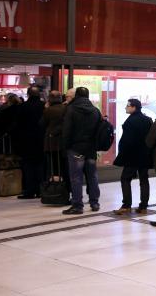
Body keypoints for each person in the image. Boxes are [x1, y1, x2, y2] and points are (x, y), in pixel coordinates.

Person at [61, 87, 101, 215]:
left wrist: (65, 146)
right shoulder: (95, 111)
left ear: (76, 96)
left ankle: (77, 205)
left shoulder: (71, 109)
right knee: (92, 176)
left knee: (76, 178)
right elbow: (99, 130)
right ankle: (94, 202)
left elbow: (66, 130)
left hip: (76, 148)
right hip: (91, 149)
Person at [114, 99, 153, 214]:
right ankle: (144, 206)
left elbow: (127, 141)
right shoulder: (147, 120)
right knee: (144, 180)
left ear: (134, 107)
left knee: (125, 178)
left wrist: (122, 154)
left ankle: (126, 205)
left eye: (127, 106)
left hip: (132, 156)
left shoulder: (130, 121)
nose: (126, 107)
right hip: (144, 155)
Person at [16, 86, 45, 199]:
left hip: (27, 141)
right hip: (41, 140)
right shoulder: (44, 106)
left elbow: (18, 124)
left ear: (28, 94)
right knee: (41, 166)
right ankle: (41, 190)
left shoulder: (23, 107)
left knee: (28, 167)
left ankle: (29, 190)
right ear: (39, 95)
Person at [41, 90, 69, 200]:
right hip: (64, 143)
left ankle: (54, 191)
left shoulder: (48, 110)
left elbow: (41, 124)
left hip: (51, 143)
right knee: (64, 167)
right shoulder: (66, 109)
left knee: (53, 168)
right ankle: (65, 191)